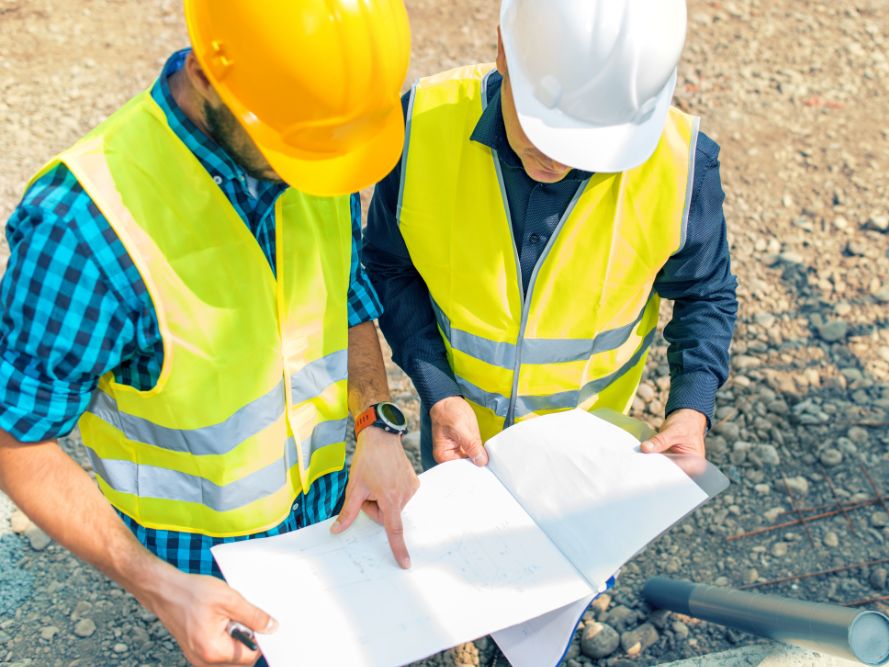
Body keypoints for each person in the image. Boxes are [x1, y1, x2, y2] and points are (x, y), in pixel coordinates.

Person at [0, 1, 419, 665]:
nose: (313, 171)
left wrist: (375, 421)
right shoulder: (82, 227)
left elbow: (346, 289)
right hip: (199, 564)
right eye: (291, 149)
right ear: (206, 72)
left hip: (322, 522)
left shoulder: (314, 137)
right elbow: (16, 438)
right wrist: (161, 587)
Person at [363, 0, 738, 470]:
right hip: (457, 436)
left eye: (588, 144)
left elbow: (705, 293)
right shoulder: (423, 125)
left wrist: (691, 407)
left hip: (592, 453)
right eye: (546, 131)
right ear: (503, 49)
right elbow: (387, 266)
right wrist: (437, 389)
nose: (558, 160)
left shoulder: (682, 166)